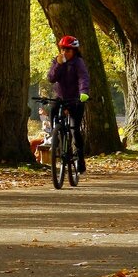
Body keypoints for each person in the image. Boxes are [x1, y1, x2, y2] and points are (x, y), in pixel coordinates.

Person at [47, 35, 91, 173]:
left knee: (74, 129)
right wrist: (59, 64)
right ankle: (55, 136)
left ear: (75, 51)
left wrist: (84, 92)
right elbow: (51, 78)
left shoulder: (78, 62)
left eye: (68, 50)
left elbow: (83, 77)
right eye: (63, 49)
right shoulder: (57, 61)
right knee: (53, 110)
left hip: (76, 99)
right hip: (61, 96)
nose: (65, 52)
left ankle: (80, 158)